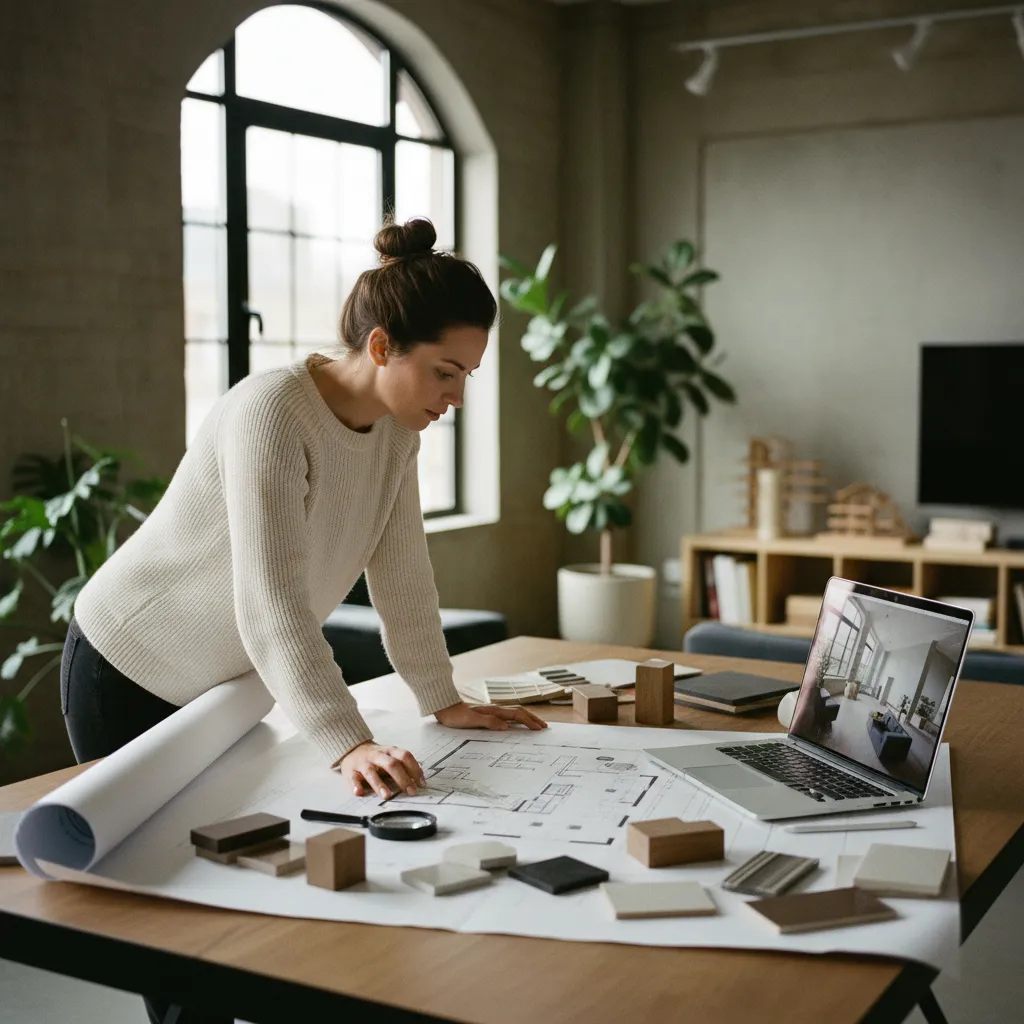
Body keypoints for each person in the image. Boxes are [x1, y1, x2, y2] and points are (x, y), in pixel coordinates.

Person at [60, 216, 545, 1024]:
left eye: (467, 377)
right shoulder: (273, 410)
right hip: (128, 664)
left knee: (236, 895)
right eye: (445, 372)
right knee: (173, 927)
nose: (456, 398)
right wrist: (345, 736)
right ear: (384, 346)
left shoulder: (397, 434)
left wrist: (441, 697)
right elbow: (270, 599)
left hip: (224, 685)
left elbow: (402, 571)